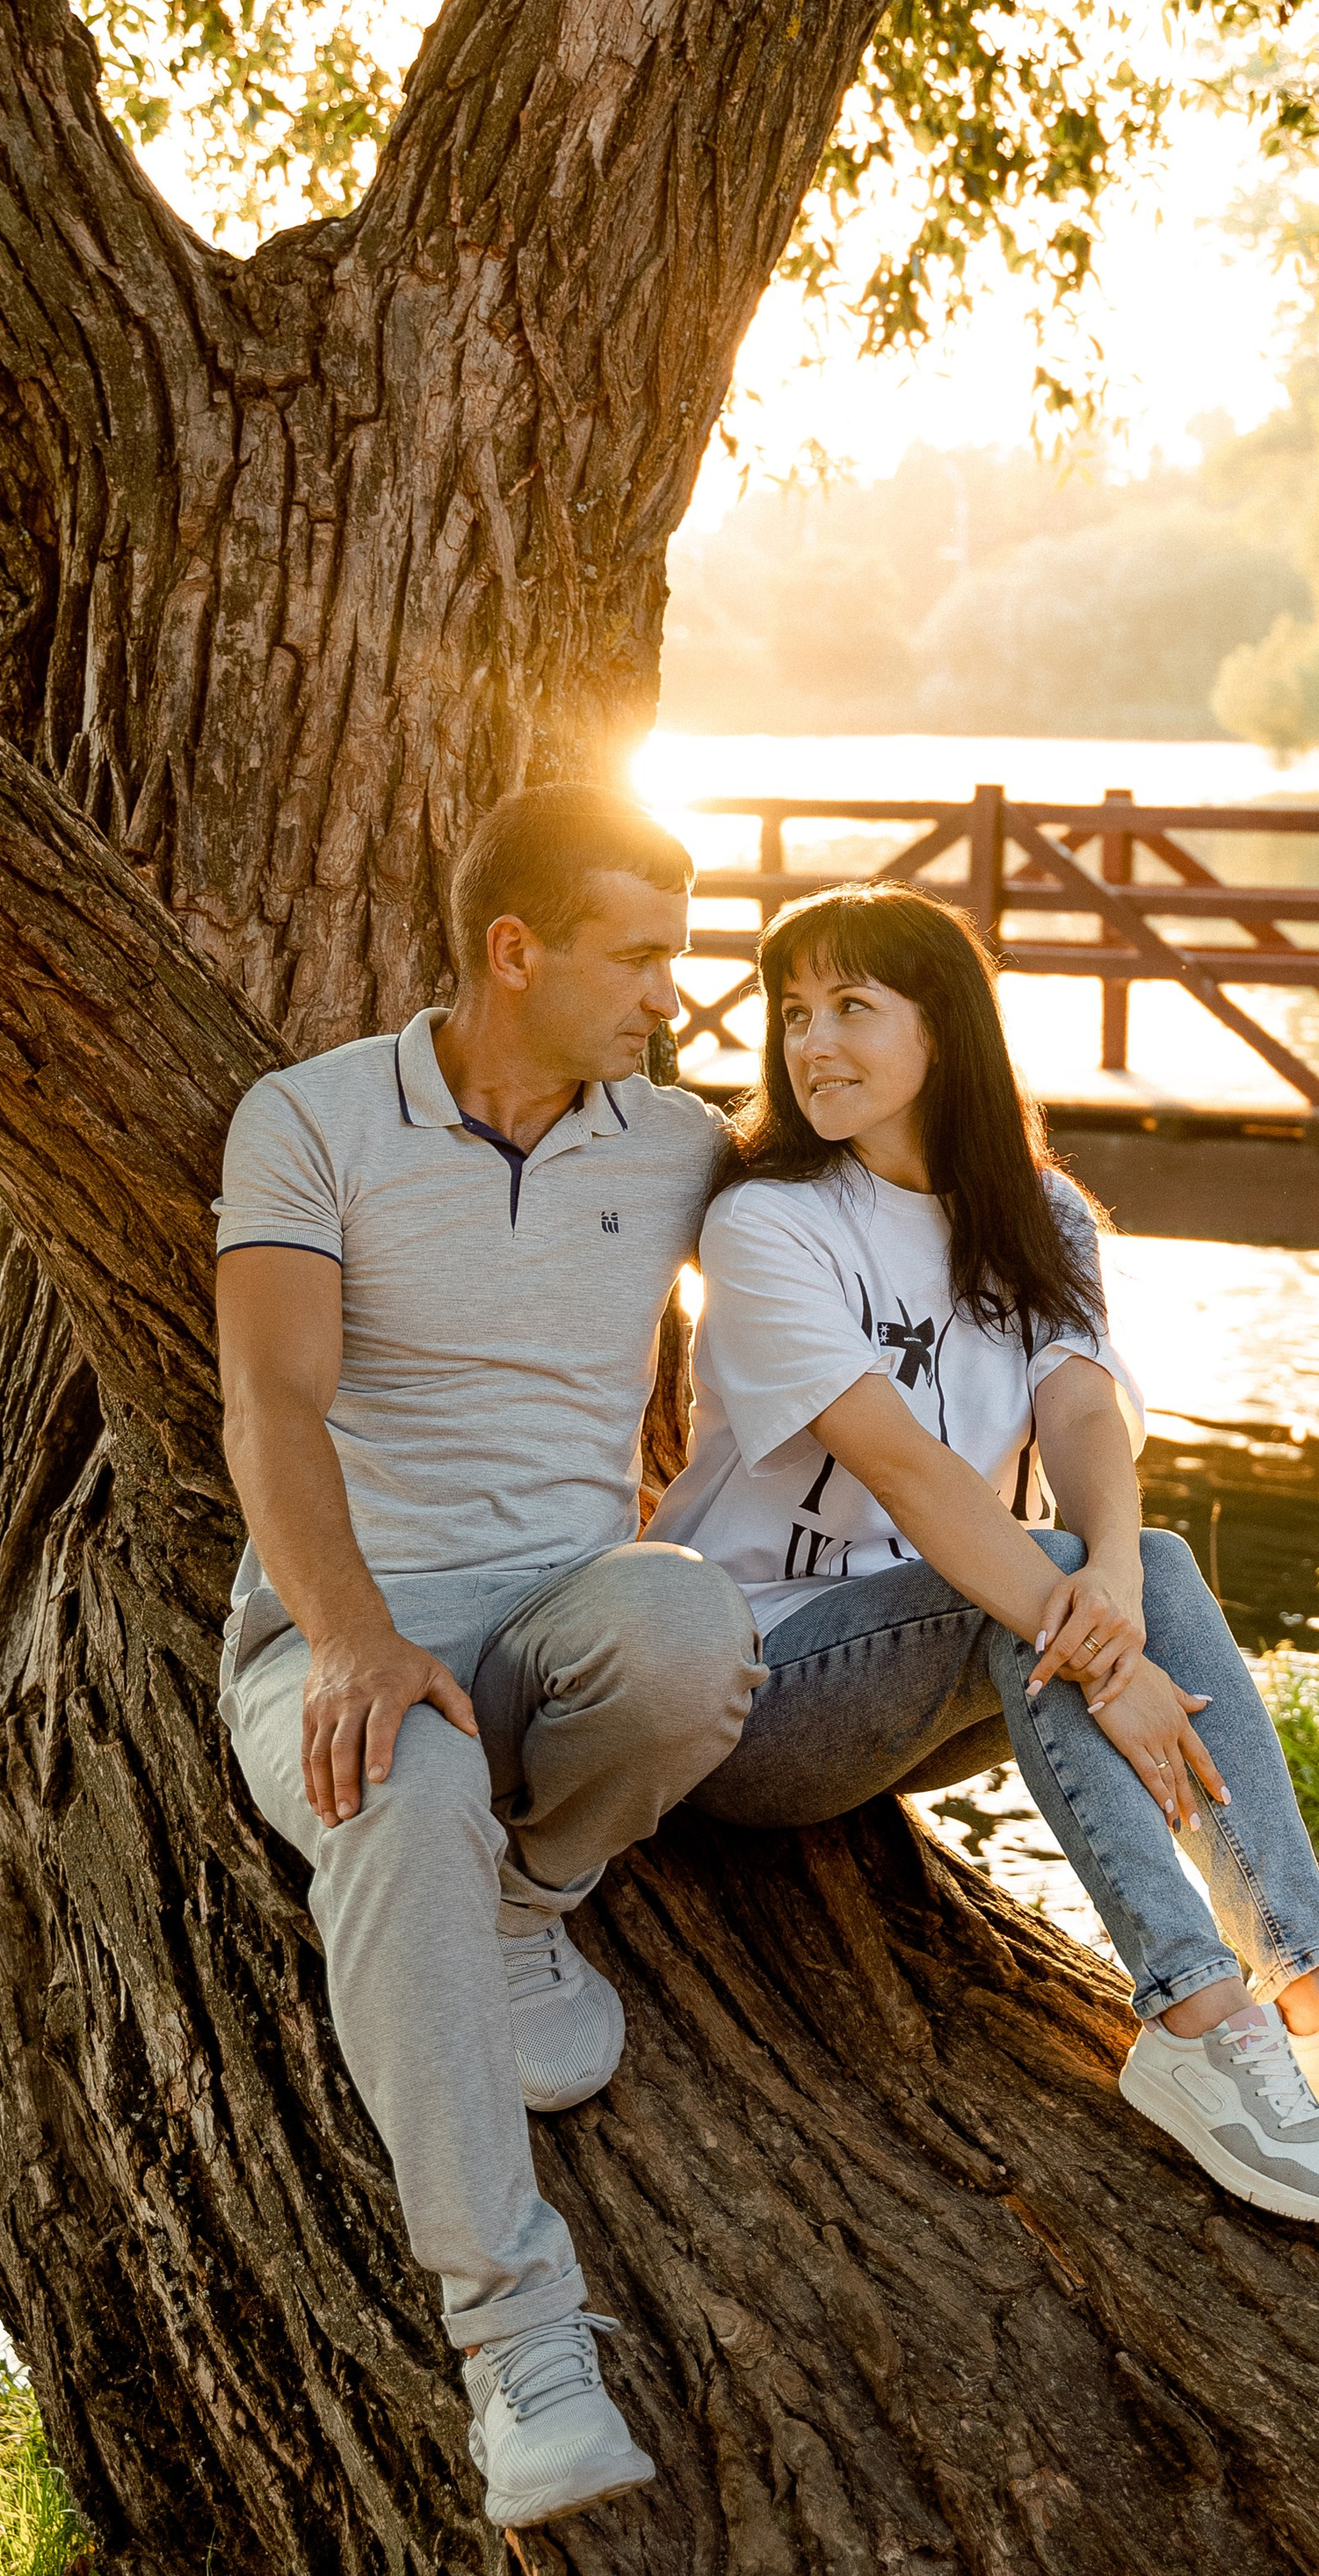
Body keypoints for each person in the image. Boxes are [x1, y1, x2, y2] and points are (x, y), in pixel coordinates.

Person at [649, 882, 1319, 2225]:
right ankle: (1197, 2016)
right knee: (1029, 1585)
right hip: (752, 1689)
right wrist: (1102, 1650)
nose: (813, 1042)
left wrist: (1110, 1587)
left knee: (1142, 1553)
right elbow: (907, 1471)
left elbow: (1085, 1413)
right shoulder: (769, 1222)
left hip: (940, 1671)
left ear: (944, 1030)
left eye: (852, 1007)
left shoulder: (1041, 1214)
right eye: (794, 1012)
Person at [214, 784, 763, 2534]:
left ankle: (527, 1904)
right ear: (515, 950)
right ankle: (514, 2336)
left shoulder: (676, 1144)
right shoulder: (310, 1119)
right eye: (640, 956)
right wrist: (354, 1637)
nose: (671, 995)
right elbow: (270, 1398)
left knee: (690, 1625)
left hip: (560, 1633)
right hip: (332, 1626)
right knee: (402, 1770)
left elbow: (877, 1230)